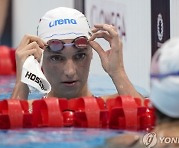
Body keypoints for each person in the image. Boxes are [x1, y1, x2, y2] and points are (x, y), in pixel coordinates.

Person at [11, 7, 144, 102]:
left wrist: (118, 73)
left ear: (92, 54)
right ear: (40, 60)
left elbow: (156, 132)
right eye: (57, 58)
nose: (70, 71)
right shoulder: (26, 110)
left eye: (79, 56)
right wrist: (22, 82)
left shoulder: (115, 105)